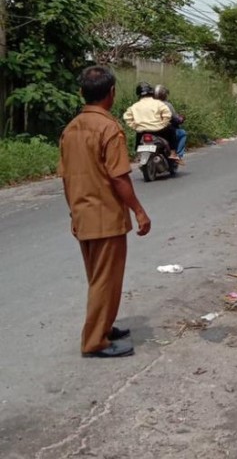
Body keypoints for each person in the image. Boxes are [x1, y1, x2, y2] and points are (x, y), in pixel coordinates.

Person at [58, 66, 152, 358]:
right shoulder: (109, 128)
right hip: (106, 217)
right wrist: (139, 210)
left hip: (83, 215)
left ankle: (105, 326)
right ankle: (95, 341)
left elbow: (66, 177)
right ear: (111, 93)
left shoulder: (71, 129)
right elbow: (119, 177)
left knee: (97, 277)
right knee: (105, 280)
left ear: (81, 93)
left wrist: (74, 212)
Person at [123, 82, 178, 158]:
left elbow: (126, 117)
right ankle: (173, 153)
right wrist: (163, 123)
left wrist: (135, 126)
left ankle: (137, 154)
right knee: (172, 130)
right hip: (159, 130)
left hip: (142, 131)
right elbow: (167, 114)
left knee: (138, 134)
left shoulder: (134, 106)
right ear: (151, 92)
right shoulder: (159, 103)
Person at [153, 85, 187, 158]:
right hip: (164, 131)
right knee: (182, 133)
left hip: (150, 129)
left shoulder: (148, 104)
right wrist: (181, 119)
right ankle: (178, 155)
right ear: (164, 95)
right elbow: (175, 118)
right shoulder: (167, 105)